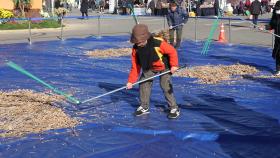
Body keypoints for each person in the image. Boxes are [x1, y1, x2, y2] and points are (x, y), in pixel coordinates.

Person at [126, 24, 180, 119]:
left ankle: (174, 107)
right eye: (136, 42)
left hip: (164, 66)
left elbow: (172, 51)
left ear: (146, 38)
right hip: (150, 66)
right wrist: (131, 81)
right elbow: (135, 66)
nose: (138, 44)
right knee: (143, 82)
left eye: (140, 42)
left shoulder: (157, 43)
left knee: (165, 84)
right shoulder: (136, 49)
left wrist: (174, 65)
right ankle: (144, 106)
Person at [266, 1, 280, 76]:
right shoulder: (275, 15)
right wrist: (266, 27)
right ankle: (278, 70)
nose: (276, 11)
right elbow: (271, 25)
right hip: (277, 38)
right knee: (278, 54)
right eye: (276, 9)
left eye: (278, 9)